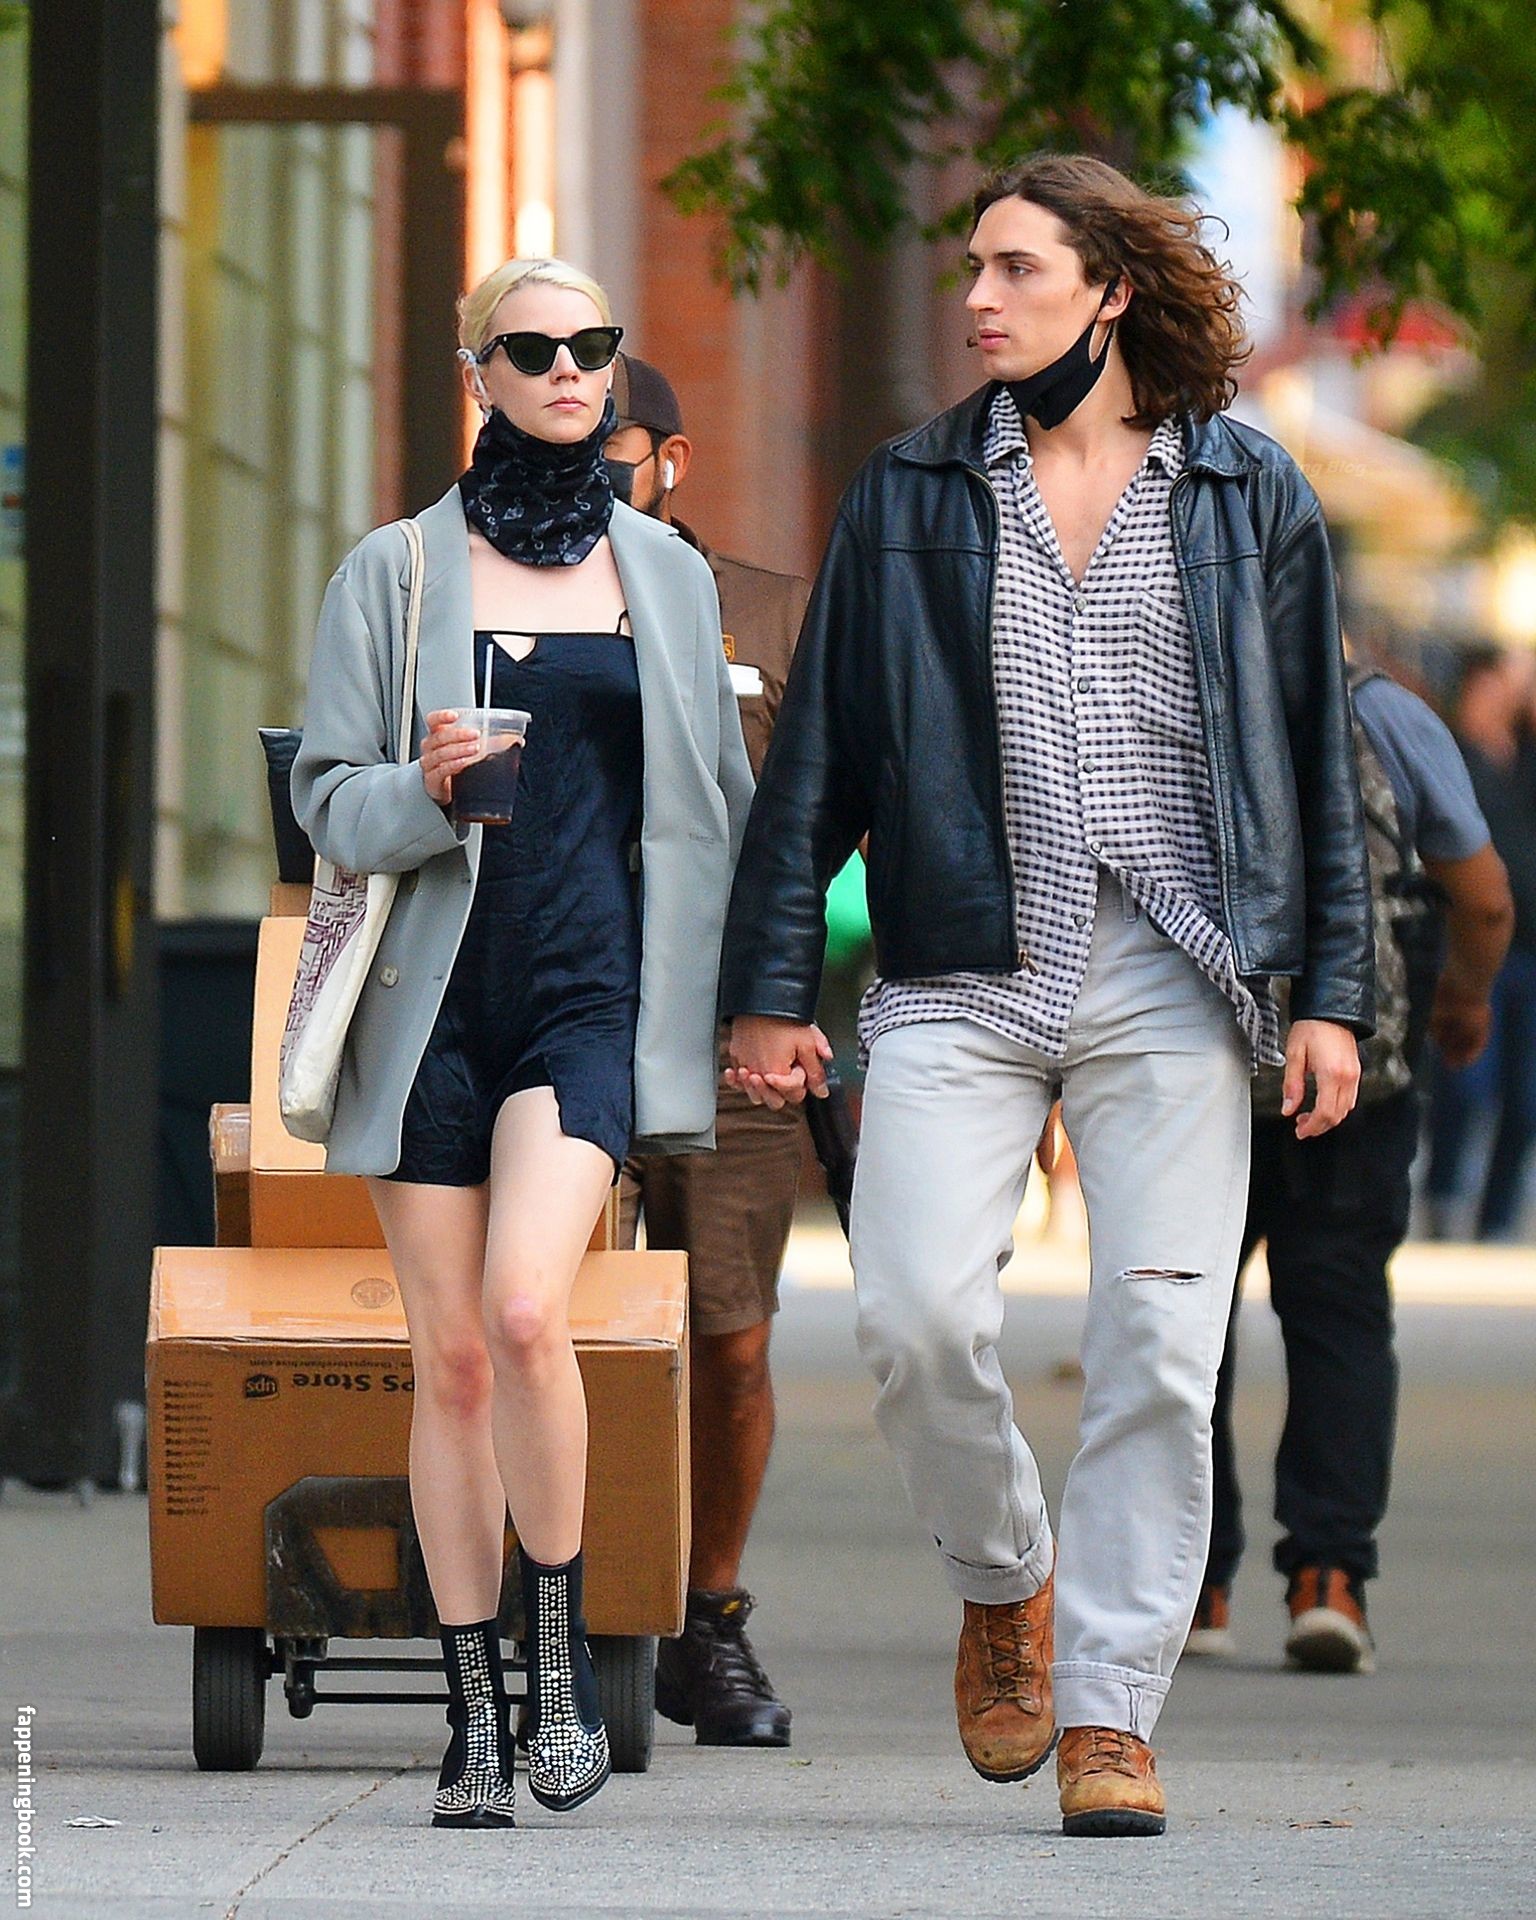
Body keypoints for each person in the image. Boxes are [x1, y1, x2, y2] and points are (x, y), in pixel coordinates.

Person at [721, 154, 1374, 1839]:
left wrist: (1333, 996)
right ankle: (1006, 1579)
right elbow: (819, 758)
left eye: (1015, 268)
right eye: (972, 269)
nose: (978, 300)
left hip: (1178, 973)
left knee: (1161, 1342)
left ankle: (1109, 1714)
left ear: (1111, 291)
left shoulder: (1248, 491)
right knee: (914, 1319)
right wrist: (772, 985)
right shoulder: (912, 490)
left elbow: (1315, 756)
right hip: (963, 959)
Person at [291, 258, 753, 1828]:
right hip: (428, 1004)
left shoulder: (663, 574)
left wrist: (751, 996)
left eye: (591, 346)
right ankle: (472, 1716)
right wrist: (420, 790)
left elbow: (718, 806)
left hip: (585, 995)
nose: (567, 370)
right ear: (476, 372)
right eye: (533, 348)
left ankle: (557, 1668)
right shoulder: (396, 572)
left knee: (529, 1310)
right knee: (453, 1359)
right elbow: (323, 800)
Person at [1188, 663, 1513, 1672]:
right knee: (1340, 1317)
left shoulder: (1167, 689)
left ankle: (1193, 1582)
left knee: (1178, 1317)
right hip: (1356, 1071)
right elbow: (1484, 900)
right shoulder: (1385, 712)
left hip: (1193, 1067)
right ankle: (1328, 1580)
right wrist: (1462, 998)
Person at [603, 353, 809, 1746]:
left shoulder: (774, 612)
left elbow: (839, 815)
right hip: (545, 1024)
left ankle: (708, 1617)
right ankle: (561, 1604)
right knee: (541, 1326)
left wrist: (795, 1000)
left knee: (729, 1343)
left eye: (613, 444)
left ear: (671, 461)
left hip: (724, 1040)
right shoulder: (484, 595)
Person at [1426, 646, 1536, 1240]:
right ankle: (1444, 1196)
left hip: (1529, 950)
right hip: (1469, 946)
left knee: (1526, 1099)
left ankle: (1495, 1219)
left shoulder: (1524, 759)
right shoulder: (1451, 754)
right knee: (1464, 1086)